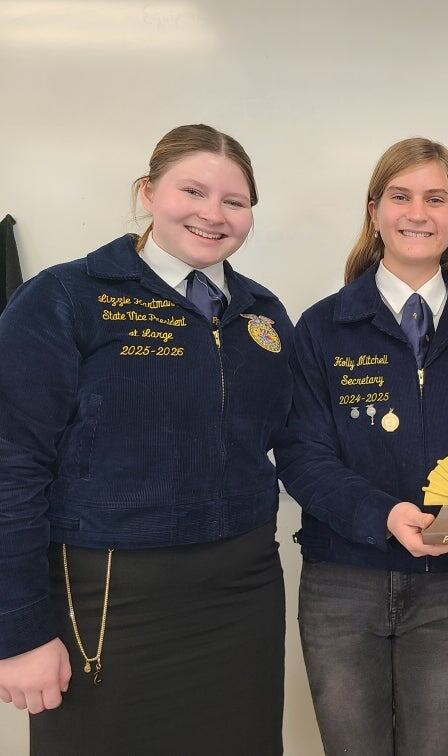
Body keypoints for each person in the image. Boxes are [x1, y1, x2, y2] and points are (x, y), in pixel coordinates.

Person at [0, 124, 293, 754]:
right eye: (193, 191)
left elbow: (296, 445)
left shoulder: (262, 313)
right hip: (109, 597)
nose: (213, 214)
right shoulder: (65, 297)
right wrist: (18, 630)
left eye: (234, 202)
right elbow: (12, 466)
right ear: (147, 192)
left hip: (243, 591)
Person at [275, 137, 448, 756]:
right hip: (342, 584)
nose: (417, 213)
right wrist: (381, 514)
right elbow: (301, 455)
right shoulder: (323, 326)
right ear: (373, 210)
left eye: (436, 199)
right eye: (400, 197)